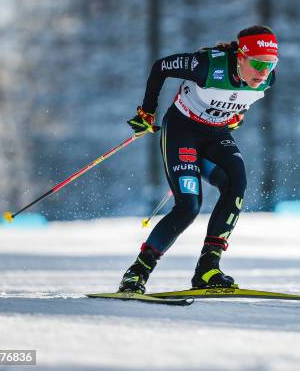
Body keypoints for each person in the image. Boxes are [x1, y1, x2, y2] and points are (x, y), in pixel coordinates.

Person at [118, 25, 278, 294]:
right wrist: (147, 112)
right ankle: (137, 273)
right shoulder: (206, 66)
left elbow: (238, 97)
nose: (264, 73)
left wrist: (236, 114)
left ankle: (207, 269)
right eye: (258, 63)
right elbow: (161, 67)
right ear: (240, 56)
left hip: (216, 135)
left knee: (236, 183)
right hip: (182, 132)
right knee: (189, 206)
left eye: (271, 64)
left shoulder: (268, 79)